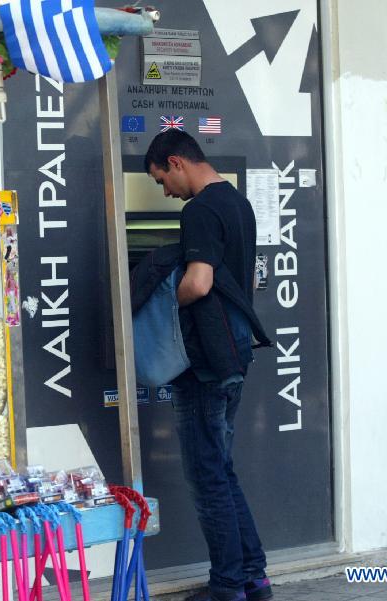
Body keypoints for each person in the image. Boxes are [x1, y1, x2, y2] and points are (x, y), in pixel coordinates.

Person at [144, 130, 272, 601]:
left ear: (176, 162)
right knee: (222, 469)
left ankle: (227, 587)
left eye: (161, 180)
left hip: (203, 363)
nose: (165, 192)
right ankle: (253, 577)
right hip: (235, 354)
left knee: (207, 476)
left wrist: (159, 306)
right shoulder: (237, 203)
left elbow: (198, 284)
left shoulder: (199, 210)